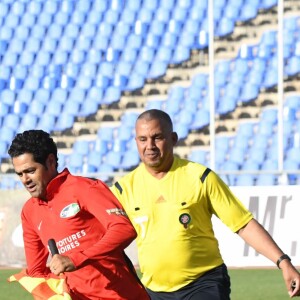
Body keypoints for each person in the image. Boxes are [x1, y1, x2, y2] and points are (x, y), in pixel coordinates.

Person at [110, 109, 300, 300]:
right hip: (154, 292)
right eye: (143, 139)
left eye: (157, 137)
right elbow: (102, 239)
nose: (149, 145)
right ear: (136, 142)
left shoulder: (200, 177)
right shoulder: (122, 189)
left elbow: (243, 224)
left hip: (204, 284)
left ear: (173, 138)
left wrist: (283, 262)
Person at [8, 129, 149, 300]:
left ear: (50, 161)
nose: (25, 180)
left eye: (30, 171)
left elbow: (124, 229)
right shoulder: (29, 211)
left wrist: (76, 259)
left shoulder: (85, 188)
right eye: (19, 174)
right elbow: (36, 272)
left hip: (120, 295)